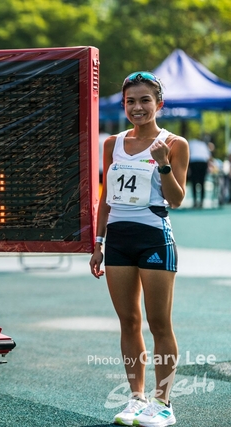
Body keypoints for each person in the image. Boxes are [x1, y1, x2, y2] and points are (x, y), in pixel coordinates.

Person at [89, 71, 189, 427]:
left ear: (158, 104)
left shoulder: (174, 143)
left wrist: (162, 163)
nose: (138, 107)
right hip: (117, 240)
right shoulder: (111, 144)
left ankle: (163, 402)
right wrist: (98, 243)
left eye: (145, 100)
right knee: (128, 322)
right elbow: (106, 197)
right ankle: (136, 398)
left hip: (154, 238)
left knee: (159, 323)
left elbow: (177, 199)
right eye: (131, 101)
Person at [187, 136, 211, 208]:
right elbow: (208, 156)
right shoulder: (203, 145)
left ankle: (195, 201)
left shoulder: (191, 143)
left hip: (194, 162)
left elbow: (187, 154)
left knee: (194, 183)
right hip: (203, 162)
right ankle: (201, 202)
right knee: (202, 182)